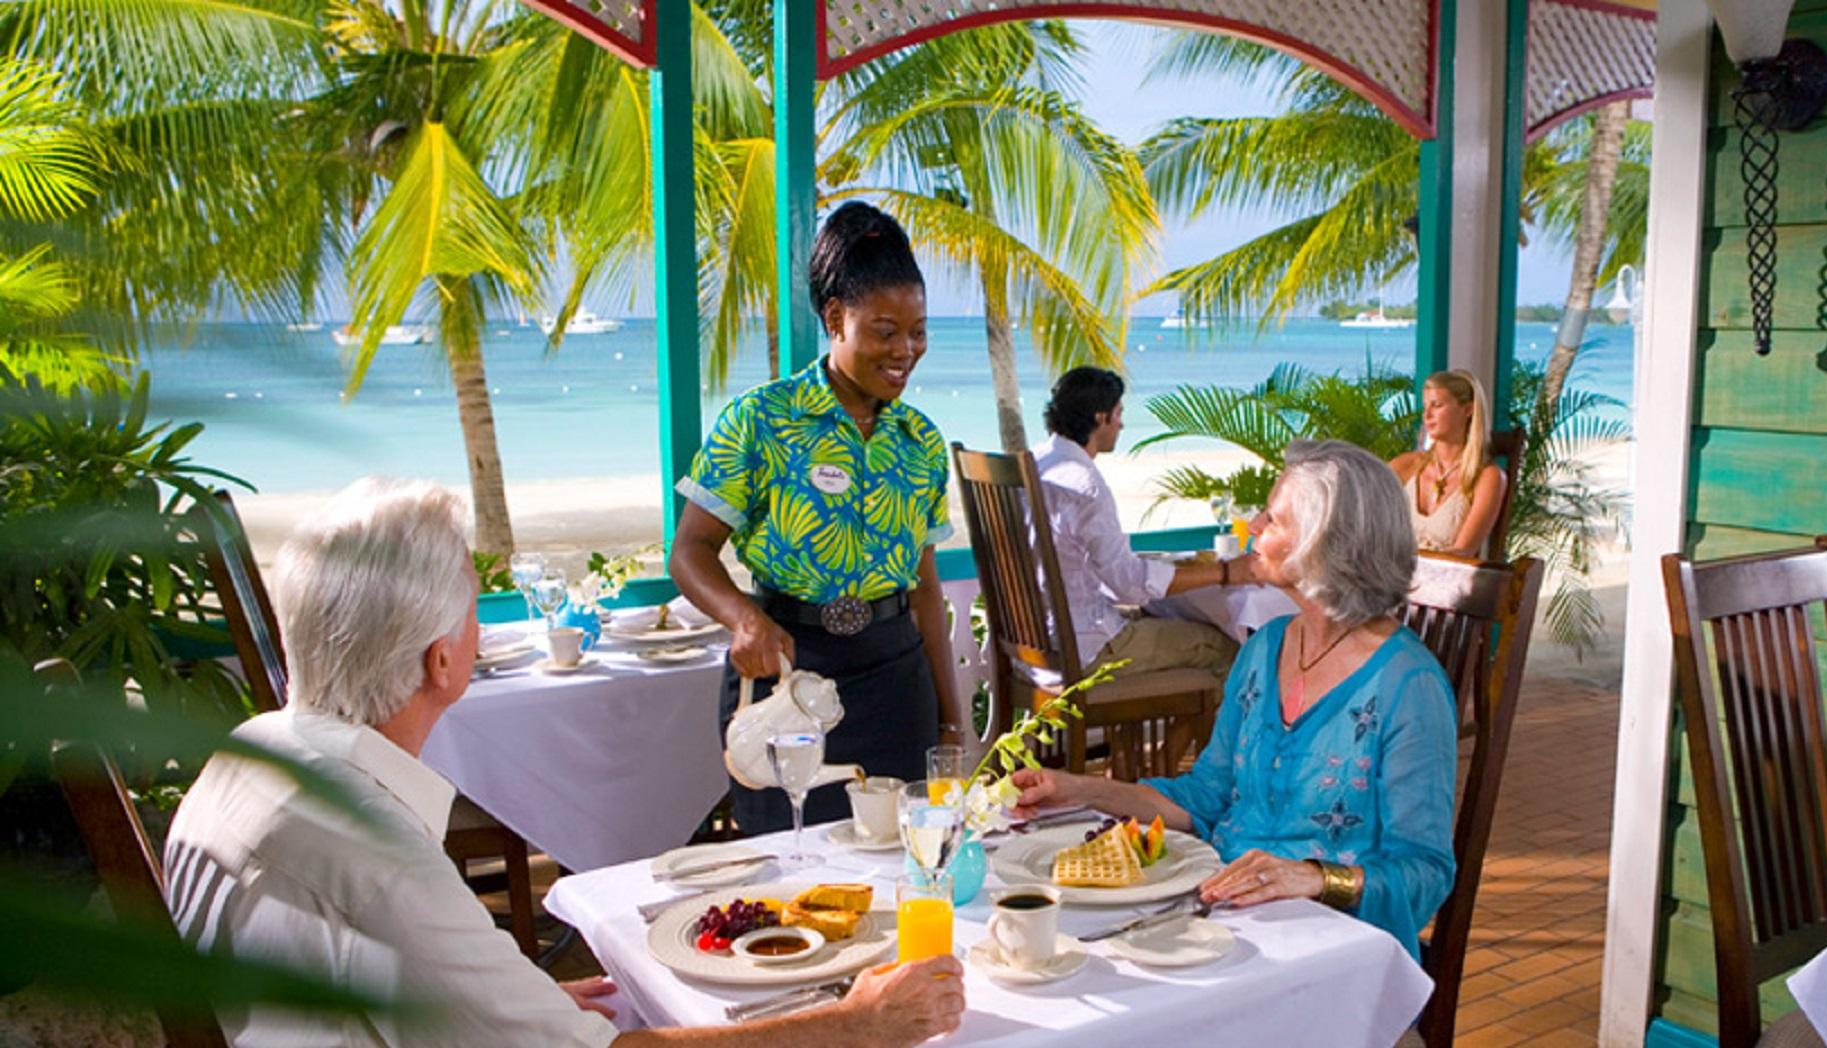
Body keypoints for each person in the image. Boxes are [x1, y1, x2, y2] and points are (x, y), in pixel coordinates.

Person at [163, 478, 965, 1047]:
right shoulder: (367, 841)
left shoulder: (250, 752)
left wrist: (505, 1004)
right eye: (475, 609)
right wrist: (859, 1026)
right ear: (445, 662)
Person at [1010, 441, 1458, 959]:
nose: (1252, 527)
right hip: (1224, 918)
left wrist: (1314, 879)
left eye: (1273, 518)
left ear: (1325, 543)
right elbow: (1205, 796)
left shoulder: (1408, 686)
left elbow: (1423, 874)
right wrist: (1079, 790)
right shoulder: (1264, 649)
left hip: (1333, 947)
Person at [670, 202, 965, 833]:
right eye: (886, 331)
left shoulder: (921, 441)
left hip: (896, 681)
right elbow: (689, 551)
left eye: (917, 331)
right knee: (789, 877)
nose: (906, 351)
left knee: (900, 866)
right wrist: (743, 617)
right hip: (788, 684)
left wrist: (950, 712)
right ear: (836, 318)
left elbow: (926, 587)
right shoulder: (761, 420)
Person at [1032, 366, 1242, 677]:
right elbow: (1128, 584)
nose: (1122, 424)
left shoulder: (1036, 462)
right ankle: (1206, 728)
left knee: (1162, 622)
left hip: (1036, 648)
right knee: (1225, 647)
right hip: (1083, 650)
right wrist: (1225, 572)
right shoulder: (1084, 483)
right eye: (1118, 414)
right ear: (1100, 418)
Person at [1388, 369, 1507, 557]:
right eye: (1425, 405)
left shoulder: (1487, 477)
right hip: (1392, 578)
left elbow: (1463, 553)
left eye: (1437, 405)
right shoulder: (1405, 465)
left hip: (1446, 581)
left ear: (1468, 410)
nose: (1426, 415)